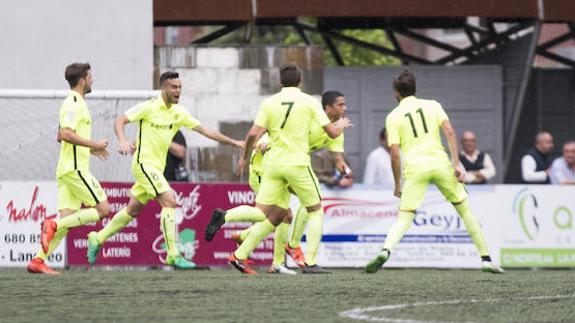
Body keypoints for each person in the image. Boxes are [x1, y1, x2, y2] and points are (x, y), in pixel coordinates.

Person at [85, 71, 243, 269]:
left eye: (180, 87)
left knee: (132, 210)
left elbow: (206, 131)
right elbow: (120, 121)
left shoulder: (179, 112)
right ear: (164, 89)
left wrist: (234, 142)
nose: (178, 91)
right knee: (170, 200)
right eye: (174, 87)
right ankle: (172, 254)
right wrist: (123, 140)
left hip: (156, 170)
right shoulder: (149, 106)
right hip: (143, 165)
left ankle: (97, 238)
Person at [205, 64, 350, 275]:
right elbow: (332, 133)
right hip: (297, 164)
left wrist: (243, 159)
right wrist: (342, 125)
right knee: (316, 209)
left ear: (280, 82)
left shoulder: (269, 102)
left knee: (267, 212)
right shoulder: (309, 101)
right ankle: (308, 261)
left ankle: (225, 218)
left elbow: (253, 134)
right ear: (300, 81)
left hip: (272, 166)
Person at [365, 70, 503, 274]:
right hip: (440, 163)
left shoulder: (393, 116)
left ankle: (386, 251)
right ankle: (485, 259)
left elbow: (394, 153)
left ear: (396, 92)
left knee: (404, 217)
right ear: (415, 88)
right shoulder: (433, 105)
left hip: (415, 169)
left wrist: (397, 183)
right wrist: (456, 163)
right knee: (464, 209)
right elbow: (449, 131)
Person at [27, 63, 111, 275]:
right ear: (82, 80)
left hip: (68, 169)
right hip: (75, 170)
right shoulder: (74, 102)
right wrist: (95, 144)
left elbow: (60, 136)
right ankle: (51, 223)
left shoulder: (74, 103)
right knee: (103, 209)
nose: (92, 80)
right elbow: (65, 134)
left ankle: (38, 261)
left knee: (66, 222)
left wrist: (91, 151)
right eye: (90, 76)